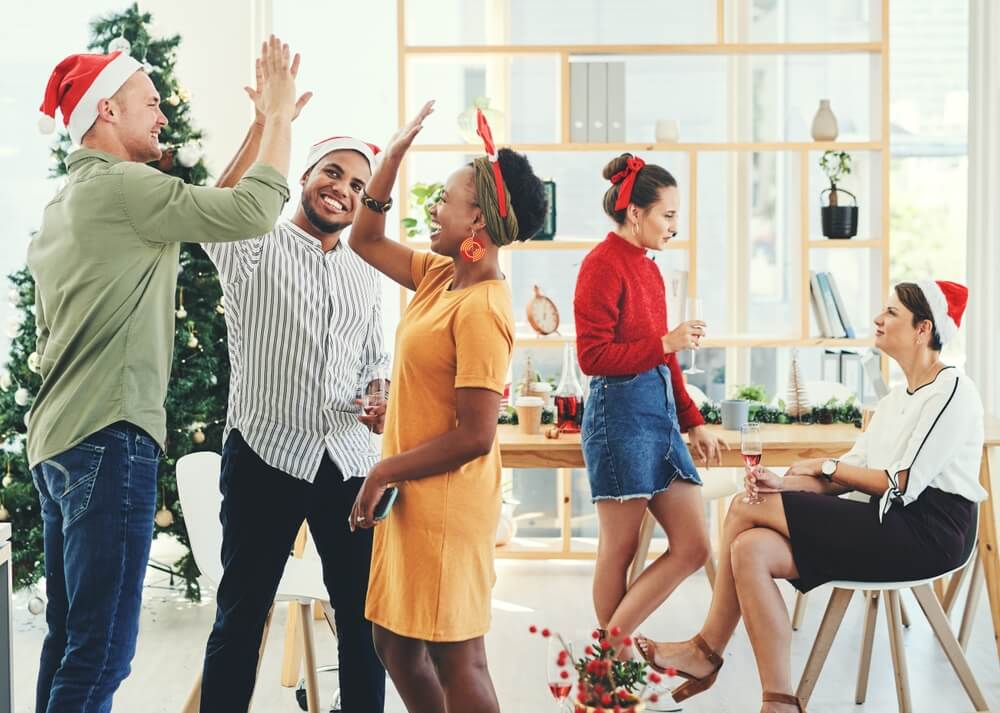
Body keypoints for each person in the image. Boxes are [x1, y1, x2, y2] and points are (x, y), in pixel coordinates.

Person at [26, 35, 298, 713]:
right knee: (102, 652)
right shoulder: (126, 188)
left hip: (59, 443)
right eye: (149, 103)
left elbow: (204, 210)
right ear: (107, 112)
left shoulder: (74, 200)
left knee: (70, 642)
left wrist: (262, 126)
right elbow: (253, 214)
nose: (161, 115)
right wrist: (285, 117)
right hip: (109, 437)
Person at [635, 281, 985, 713]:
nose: (878, 319)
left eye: (891, 313)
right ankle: (779, 701)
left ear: (923, 329)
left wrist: (825, 466)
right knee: (750, 548)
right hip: (885, 520)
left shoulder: (951, 390)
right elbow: (847, 479)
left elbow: (901, 482)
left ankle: (705, 651)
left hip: (928, 531)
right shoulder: (897, 400)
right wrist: (783, 483)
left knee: (744, 505)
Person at [197, 53, 387, 712]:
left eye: (359, 185)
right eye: (333, 172)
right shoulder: (255, 243)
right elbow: (218, 208)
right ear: (304, 175)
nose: (343, 189)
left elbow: (373, 357)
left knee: (364, 625)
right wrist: (265, 122)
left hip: (349, 465)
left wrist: (380, 389)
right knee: (241, 618)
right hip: (264, 455)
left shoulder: (367, 270)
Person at [347, 103, 547, 713]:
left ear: (478, 219)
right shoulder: (442, 275)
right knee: (393, 641)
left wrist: (382, 470)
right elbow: (365, 237)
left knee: (457, 655)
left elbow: (476, 436)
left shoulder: (484, 307)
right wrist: (391, 158)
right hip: (413, 493)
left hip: (446, 499)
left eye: (446, 198)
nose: (434, 206)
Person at [573, 153, 725, 710]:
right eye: (667, 214)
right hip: (617, 414)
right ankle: (612, 683)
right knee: (619, 548)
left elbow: (668, 360)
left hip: (657, 414)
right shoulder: (601, 264)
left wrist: (693, 420)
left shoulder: (650, 267)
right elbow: (593, 357)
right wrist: (665, 343)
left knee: (693, 544)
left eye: (677, 216)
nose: (674, 226)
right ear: (634, 213)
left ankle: (604, 661)